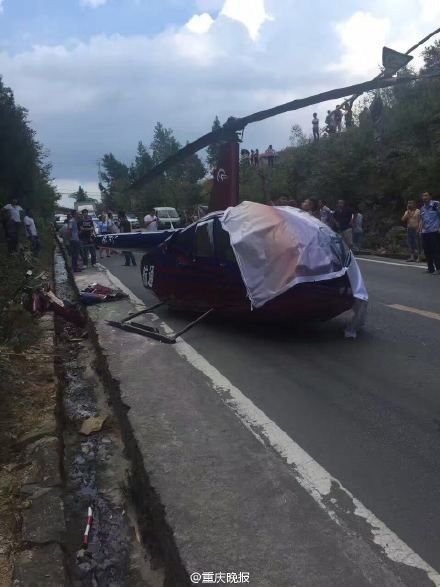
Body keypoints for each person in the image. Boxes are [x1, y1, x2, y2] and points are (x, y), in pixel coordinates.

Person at [419, 192, 440, 274]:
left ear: (430, 197)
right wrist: (420, 230)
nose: (424, 197)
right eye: (423, 196)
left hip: (434, 231)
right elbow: (422, 220)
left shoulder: (435, 204)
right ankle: (430, 268)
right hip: (425, 232)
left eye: (426, 195)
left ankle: (438, 268)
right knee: (427, 250)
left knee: (436, 250)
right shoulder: (422, 208)